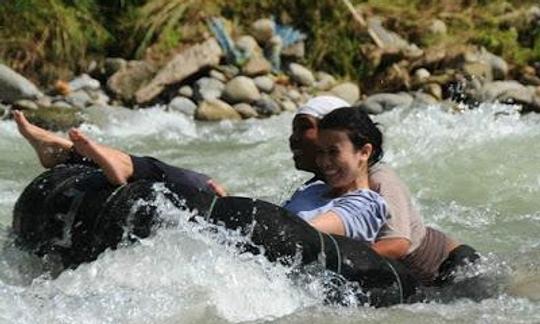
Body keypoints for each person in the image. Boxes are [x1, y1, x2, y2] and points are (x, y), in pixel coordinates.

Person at [12, 108, 388, 243]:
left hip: (275, 240)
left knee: (193, 192)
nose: (324, 162)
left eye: (333, 152)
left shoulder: (367, 203)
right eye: (319, 152)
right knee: (190, 179)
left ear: (364, 152)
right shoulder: (319, 189)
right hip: (265, 235)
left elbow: (304, 232)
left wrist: (234, 212)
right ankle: (69, 154)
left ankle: (104, 163)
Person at [285, 96, 478, 285]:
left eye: (304, 128)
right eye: (321, 151)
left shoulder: (380, 179)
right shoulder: (319, 185)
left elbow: (398, 244)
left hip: (447, 262)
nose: (293, 138)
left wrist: (341, 260)